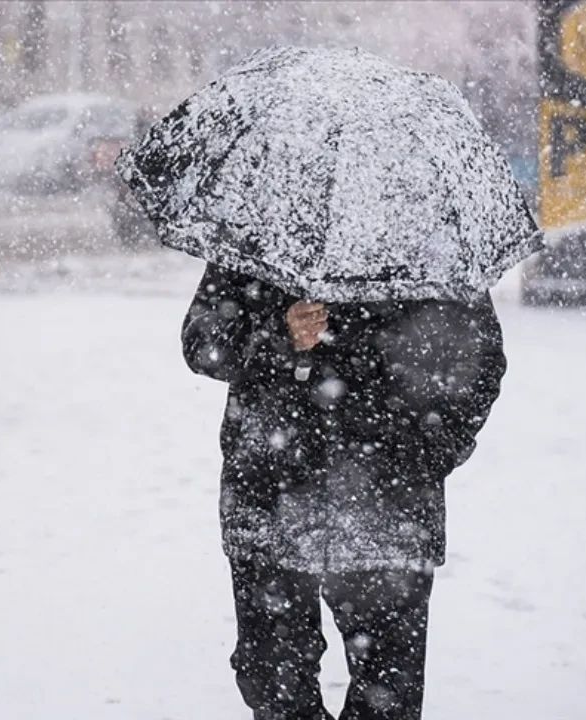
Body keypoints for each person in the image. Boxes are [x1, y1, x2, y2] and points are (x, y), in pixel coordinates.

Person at [182, 264, 507, 720]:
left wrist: (425, 455)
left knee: (388, 693)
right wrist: (279, 332)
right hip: (271, 497)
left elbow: (480, 362)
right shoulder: (265, 225)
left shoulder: (427, 240)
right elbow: (202, 342)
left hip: (389, 510)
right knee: (275, 686)